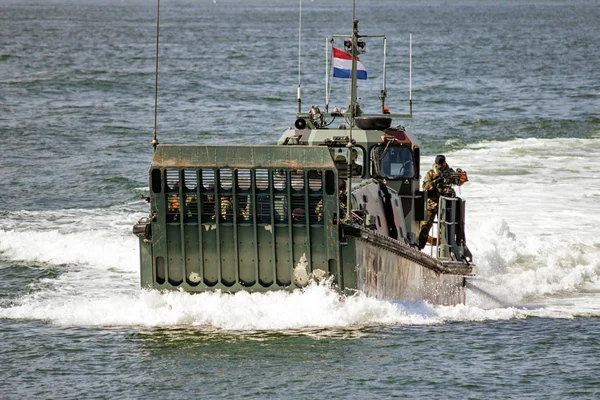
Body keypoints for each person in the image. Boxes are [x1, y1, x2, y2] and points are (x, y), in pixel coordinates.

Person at [417, 155, 467, 250]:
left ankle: (444, 249)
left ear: (444, 163)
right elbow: (425, 186)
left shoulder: (450, 172)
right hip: (432, 203)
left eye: (441, 164)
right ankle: (419, 246)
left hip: (445, 204)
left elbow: (459, 182)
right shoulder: (431, 173)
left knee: (445, 227)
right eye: (437, 164)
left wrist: (461, 176)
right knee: (425, 225)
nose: (439, 166)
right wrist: (435, 181)